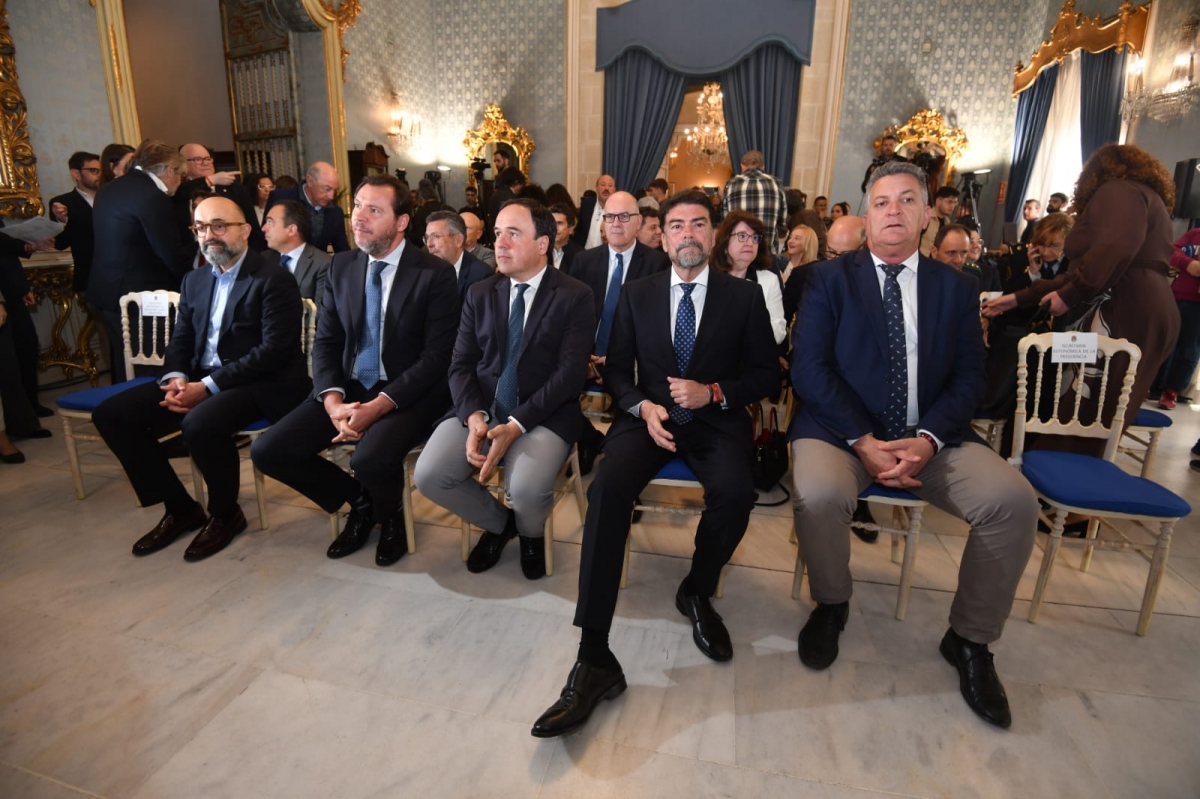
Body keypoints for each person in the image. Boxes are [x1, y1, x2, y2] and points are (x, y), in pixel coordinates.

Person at [791, 160, 1038, 729]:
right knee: (818, 494)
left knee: (1014, 502)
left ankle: (970, 639)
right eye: (882, 202)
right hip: (841, 433)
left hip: (933, 436)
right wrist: (864, 440)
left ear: (929, 215)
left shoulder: (957, 287)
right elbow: (810, 370)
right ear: (866, 215)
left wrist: (927, 440)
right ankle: (832, 604)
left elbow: (970, 378)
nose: (894, 211)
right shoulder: (829, 279)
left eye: (907, 200)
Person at [530, 189, 778, 738]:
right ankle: (594, 654)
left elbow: (766, 374)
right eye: (676, 226)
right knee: (606, 490)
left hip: (714, 422)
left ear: (713, 236)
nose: (688, 234)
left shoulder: (744, 297)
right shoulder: (638, 294)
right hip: (650, 421)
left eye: (698, 224)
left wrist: (714, 392)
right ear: (661, 238)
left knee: (736, 494)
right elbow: (618, 371)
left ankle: (698, 589)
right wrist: (642, 407)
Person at [251, 175, 458, 568]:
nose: (359, 218)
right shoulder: (342, 265)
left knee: (369, 457)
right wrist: (332, 400)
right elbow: (326, 342)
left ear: (401, 222)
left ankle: (391, 518)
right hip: (347, 387)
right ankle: (361, 502)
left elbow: (437, 357)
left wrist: (378, 406)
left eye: (374, 210)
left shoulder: (434, 273)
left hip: (407, 392)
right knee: (269, 450)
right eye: (357, 206)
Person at [91, 196, 310, 561]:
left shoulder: (273, 278)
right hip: (199, 378)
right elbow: (181, 339)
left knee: (201, 423)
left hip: (259, 382)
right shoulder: (194, 280)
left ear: (245, 230)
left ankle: (225, 514)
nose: (209, 236)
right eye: (201, 228)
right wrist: (176, 378)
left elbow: (273, 351)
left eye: (219, 226)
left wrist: (207, 388)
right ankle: (180, 508)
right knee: (112, 415)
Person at [413, 197, 595, 579]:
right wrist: (474, 417)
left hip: (543, 414)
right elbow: (461, 364)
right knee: (429, 475)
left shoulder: (574, 295)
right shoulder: (481, 292)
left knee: (525, 490)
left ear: (542, 243)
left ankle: (531, 535)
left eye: (513, 233)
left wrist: (516, 424)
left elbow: (569, 376)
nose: (500, 243)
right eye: (497, 234)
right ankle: (501, 524)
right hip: (484, 405)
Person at [984, 144, 1179, 455]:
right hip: (1143, 306)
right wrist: (1020, 298)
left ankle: (1051, 468)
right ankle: (1047, 463)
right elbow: (1086, 269)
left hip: (1122, 307)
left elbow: (1114, 249)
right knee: (1096, 404)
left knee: (1085, 404)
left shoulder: (1117, 190)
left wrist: (1070, 294)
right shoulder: (1144, 195)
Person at [573, 192, 671, 473]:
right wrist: (584, 356)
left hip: (633, 357)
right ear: (603, 222)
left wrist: (616, 358)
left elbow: (657, 325)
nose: (616, 223)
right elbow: (573, 318)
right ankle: (588, 438)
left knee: (633, 397)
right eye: (610, 217)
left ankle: (621, 455)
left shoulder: (658, 263)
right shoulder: (583, 261)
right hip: (588, 353)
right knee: (553, 386)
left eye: (624, 216)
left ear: (638, 222)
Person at [88, 139, 194, 384]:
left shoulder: (109, 188)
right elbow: (169, 253)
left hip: (107, 293)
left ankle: (123, 404)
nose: (180, 182)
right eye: (180, 175)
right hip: (140, 295)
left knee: (124, 363)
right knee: (150, 368)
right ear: (169, 170)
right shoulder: (152, 196)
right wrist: (193, 281)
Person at [711, 210, 787, 345]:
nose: (750, 243)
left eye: (755, 238)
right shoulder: (709, 278)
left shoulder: (769, 280)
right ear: (724, 242)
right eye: (742, 236)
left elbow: (780, 331)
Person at [176, 143, 266, 252]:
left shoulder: (235, 189)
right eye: (198, 159)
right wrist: (209, 180)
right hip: (192, 255)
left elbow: (252, 226)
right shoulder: (178, 190)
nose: (206, 163)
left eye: (208, 158)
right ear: (183, 164)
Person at [1154, 227, 1200, 409]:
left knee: (1189, 349)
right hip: (1177, 296)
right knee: (1164, 340)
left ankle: (1172, 391)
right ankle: (1152, 385)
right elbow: (1172, 250)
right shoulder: (1195, 233)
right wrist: (1188, 263)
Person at [265, 161, 350, 254]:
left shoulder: (335, 212)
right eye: (327, 189)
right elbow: (264, 237)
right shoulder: (281, 199)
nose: (331, 196)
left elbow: (342, 250)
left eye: (335, 190)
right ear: (310, 181)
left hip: (317, 262)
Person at [49, 151, 100, 295]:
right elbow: (60, 244)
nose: (99, 175)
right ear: (76, 174)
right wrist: (62, 221)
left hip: (124, 276)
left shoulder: (112, 197)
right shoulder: (63, 203)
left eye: (101, 170)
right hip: (90, 279)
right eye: (93, 170)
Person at [261, 199, 332, 302]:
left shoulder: (323, 264)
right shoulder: (263, 260)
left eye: (270, 222)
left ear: (291, 230)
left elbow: (321, 309)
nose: (263, 228)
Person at [423, 209, 493, 303]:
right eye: (427, 237)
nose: (429, 244)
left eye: (436, 236)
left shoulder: (480, 276)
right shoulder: (425, 272)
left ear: (458, 240)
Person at [723, 150, 788, 251]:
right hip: (767, 251)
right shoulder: (776, 183)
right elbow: (782, 223)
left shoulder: (731, 184)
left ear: (742, 166)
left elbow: (726, 221)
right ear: (763, 167)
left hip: (739, 251)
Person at [780, 223, 820, 324]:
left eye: (797, 238)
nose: (790, 241)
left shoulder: (813, 270)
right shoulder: (779, 262)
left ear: (808, 243)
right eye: (790, 237)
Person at [574, 174, 616, 249]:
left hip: (604, 253)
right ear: (596, 187)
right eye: (603, 185)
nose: (606, 188)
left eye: (610, 185)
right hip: (584, 252)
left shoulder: (618, 209)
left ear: (614, 189)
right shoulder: (587, 204)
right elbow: (579, 231)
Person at [920, 186, 959, 257]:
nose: (952, 206)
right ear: (938, 201)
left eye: (955, 203)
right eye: (949, 202)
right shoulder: (926, 216)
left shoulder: (947, 222)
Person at [549, 203, 582, 275]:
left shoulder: (581, 256)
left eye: (559, 223)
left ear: (571, 229)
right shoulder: (540, 252)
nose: (554, 228)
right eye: (551, 223)